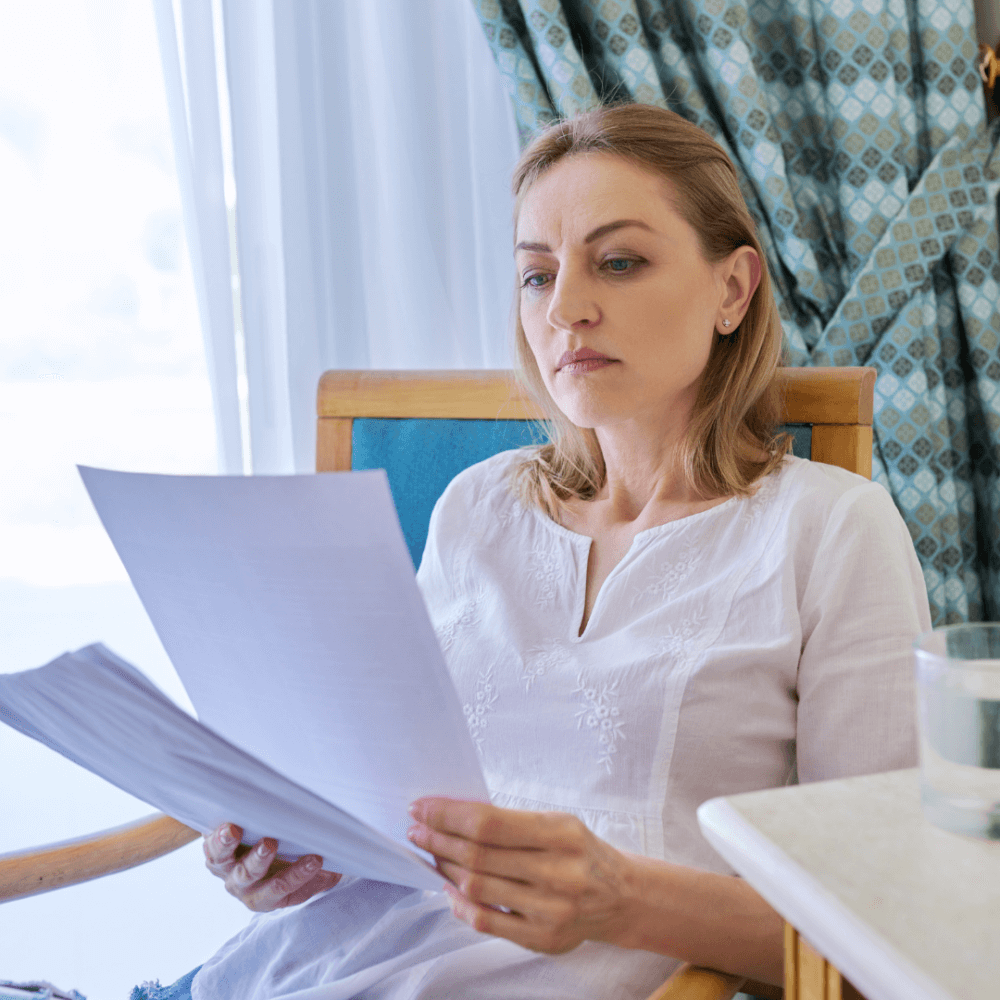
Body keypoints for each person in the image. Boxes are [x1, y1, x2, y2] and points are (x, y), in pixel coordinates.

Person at [183, 104, 929, 1000]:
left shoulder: (832, 531)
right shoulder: (477, 508)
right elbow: (404, 805)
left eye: (620, 262)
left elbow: (885, 937)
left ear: (734, 290)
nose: (568, 309)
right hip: (307, 971)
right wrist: (308, 849)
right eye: (537, 276)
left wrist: (622, 900)